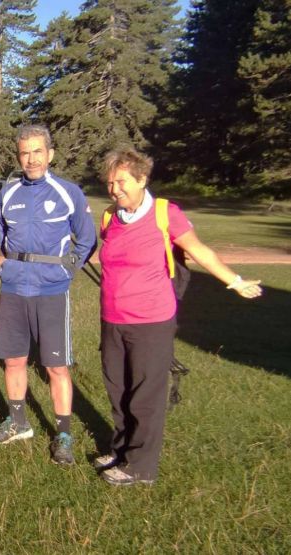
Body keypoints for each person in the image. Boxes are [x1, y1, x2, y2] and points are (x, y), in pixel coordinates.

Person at [96, 146, 262, 485]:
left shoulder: (164, 213)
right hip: (113, 319)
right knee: (118, 389)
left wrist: (236, 281)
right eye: (110, 183)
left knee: (145, 394)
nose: (115, 189)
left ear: (142, 179)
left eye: (122, 181)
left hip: (151, 320)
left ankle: (140, 467)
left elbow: (198, 250)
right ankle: (122, 449)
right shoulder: (109, 217)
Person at [0, 124, 97, 465]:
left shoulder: (68, 192)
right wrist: (8, 268)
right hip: (14, 287)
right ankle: (18, 421)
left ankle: (63, 432)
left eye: (38, 151)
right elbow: (3, 238)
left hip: (52, 289)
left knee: (56, 365)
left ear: (50, 154)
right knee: (13, 359)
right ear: (18, 156)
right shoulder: (7, 194)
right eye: (25, 152)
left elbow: (87, 239)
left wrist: (66, 270)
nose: (31, 158)